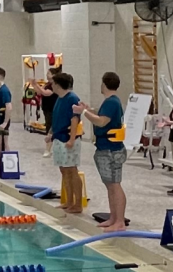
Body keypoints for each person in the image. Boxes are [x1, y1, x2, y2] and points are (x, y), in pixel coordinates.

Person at [74, 72, 126, 231]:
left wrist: (83, 112)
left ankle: (120, 222)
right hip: (107, 147)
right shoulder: (111, 102)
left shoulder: (112, 102)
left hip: (111, 150)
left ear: (104, 84)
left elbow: (102, 122)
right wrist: (88, 109)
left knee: (115, 186)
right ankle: (114, 217)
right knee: (110, 186)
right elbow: (101, 114)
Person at [48, 72, 82, 213]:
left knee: (72, 170)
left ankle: (78, 204)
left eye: (53, 83)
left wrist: (72, 139)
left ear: (58, 85)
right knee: (64, 170)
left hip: (68, 139)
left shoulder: (72, 98)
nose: (51, 86)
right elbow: (57, 118)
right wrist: (50, 134)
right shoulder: (60, 98)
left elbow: (75, 120)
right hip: (59, 137)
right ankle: (68, 201)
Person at [31, 67, 60, 158]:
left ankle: (48, 149)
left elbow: (45, 93)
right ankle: (50, 148)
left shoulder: (54, 85)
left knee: (51, 129)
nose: (47, 75)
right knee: (49, 127)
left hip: (53, 109)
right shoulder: (47, 84)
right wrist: (34, 85)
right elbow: (39, 92)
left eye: (49, 73)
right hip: (46, 109)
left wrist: (36, 84)